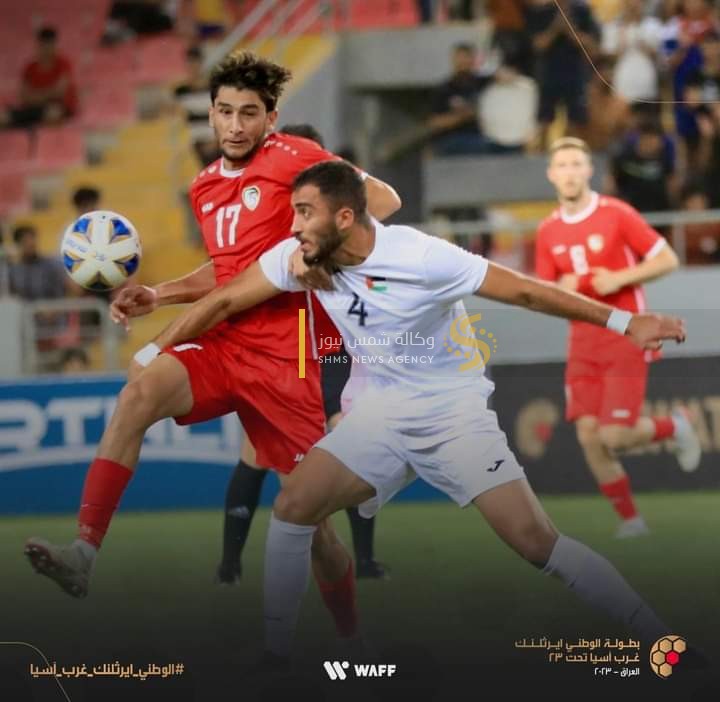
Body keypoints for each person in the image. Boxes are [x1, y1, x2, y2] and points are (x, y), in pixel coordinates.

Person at [117, 160, 690, 668]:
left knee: (537, 542)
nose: (293, 226)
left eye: (304, 213)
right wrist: (150, 352)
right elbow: (223, 298)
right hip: (383, 415)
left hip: (452, 415)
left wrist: (624, 322)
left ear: (344, 217)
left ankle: (660, 640)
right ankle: (279, 656)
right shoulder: (302, 259)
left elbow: (524, 291)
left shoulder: (421, 256)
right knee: (294, 507)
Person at [24, 54, 401, 653]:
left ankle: (351, 636)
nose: (234, 125)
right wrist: (160, 293)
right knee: (140, 391)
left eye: (249, 113)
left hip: (285, 363)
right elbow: (226, 272)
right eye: (225, 111)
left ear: (270, 118)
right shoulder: (203, 185)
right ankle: (84, 553)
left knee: (316, 530)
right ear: (211, 113)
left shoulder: (295, 157)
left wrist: (317, 248)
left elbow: (382, 198)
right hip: (223, 345)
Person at [215, 122, 388, 584]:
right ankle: (230, 565)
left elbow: (377, 262)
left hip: (331, 347)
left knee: (343, 441)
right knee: (259, 452)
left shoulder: (339, 222)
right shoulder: (272, 226)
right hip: (288, 347)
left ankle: (363, 560)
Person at [535, 137, 701, 539]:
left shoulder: (616, 213)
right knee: (589, 436)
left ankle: (675, 425)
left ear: (589, 170)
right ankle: (631, 521)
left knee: (614, 435)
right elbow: (543, 293)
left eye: (577, 164)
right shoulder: (547, 230)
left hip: (625, 335)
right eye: (562, 165)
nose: (570, 172)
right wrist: (560, 288)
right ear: (551, 174)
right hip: (582, 342)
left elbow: (668, 258)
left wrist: (618, 278)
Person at [526, 0, 601, 148]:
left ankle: (573, 154)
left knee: (576, 120)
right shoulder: (541, 11)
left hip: (575, 74)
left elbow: (591, 46)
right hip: (548, 74)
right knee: (544, 120)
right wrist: (555, 28)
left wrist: (570, 31)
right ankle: (541, 156)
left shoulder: (583, 11)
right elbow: (538, 45)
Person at [0, 27, 78, 129]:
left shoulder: (63, 64)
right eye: (44, 45)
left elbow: (59, 92)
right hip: (33, 109)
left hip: (56, 107)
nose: (46, 49)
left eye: (49, 45)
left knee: (53, 114)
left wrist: (36, 95)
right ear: (38, 45)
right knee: (3, 117)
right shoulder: (29, 68)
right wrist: (47, 94)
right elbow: (24, 97)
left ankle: (44, 136)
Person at [427, 43, 491, 156]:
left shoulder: (484, 83)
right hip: (452, 138)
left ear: (473, 60)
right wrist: (463, 116)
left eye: (466, 58)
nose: (462, 63)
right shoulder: (445, 88)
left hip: (482, 135)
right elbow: (434, 123)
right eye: (459, 59)